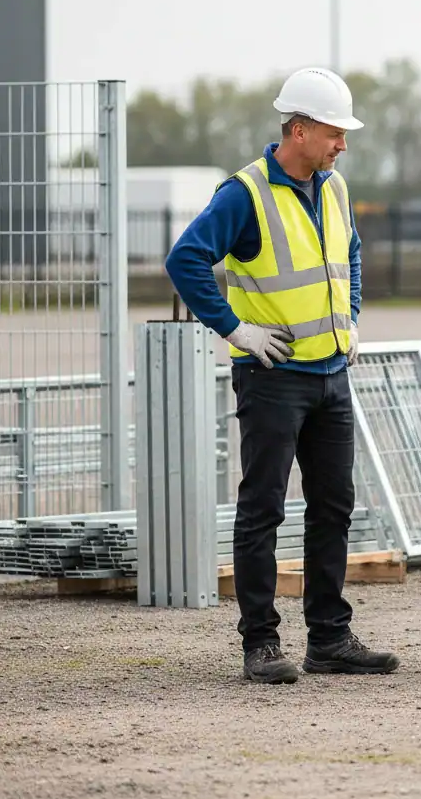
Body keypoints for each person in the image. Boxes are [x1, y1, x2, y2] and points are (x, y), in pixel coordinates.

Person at [165, 67, 399, 684]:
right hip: (272, 377)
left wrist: (349, 318)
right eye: (333, 132)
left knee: (333, 507)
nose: (342, 144)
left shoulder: (335, 187)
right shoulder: (243, 194)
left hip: (330, 374)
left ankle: (328, 640)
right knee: (262, 509)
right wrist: (235, 330)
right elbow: (185, 259)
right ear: (298, 129)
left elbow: (347, 254)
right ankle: (261, 645)